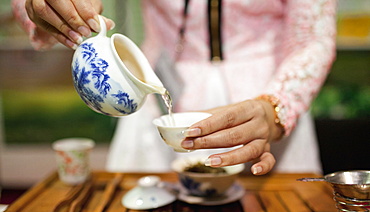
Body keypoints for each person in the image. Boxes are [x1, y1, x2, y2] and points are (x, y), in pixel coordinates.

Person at [12, 0, 337, 175]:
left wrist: (276, 107)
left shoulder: (272, 104)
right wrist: (46, 8)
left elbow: (313, 38)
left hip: (265, 98)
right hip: (157, 92)